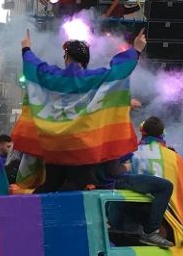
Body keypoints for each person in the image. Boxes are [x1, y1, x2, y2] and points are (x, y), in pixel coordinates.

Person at [12, 29, 147, 192]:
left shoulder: (52, 77)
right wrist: (136, 49)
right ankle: (59, 213)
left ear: (66, 57)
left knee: (51, 183)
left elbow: (34, 67)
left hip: (53, 144)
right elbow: (119, 71)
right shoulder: (94, 78)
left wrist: (26, 49)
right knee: (78, 183)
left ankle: (39, 212)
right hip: (81, 146)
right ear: (86, 60)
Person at [107, 117, 175, 247]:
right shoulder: (174, 157)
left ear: (142, 133)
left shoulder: (132, 150)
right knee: (165, 187)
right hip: (151, 217)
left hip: (121, 217)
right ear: (161, 134)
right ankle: (150, 232)